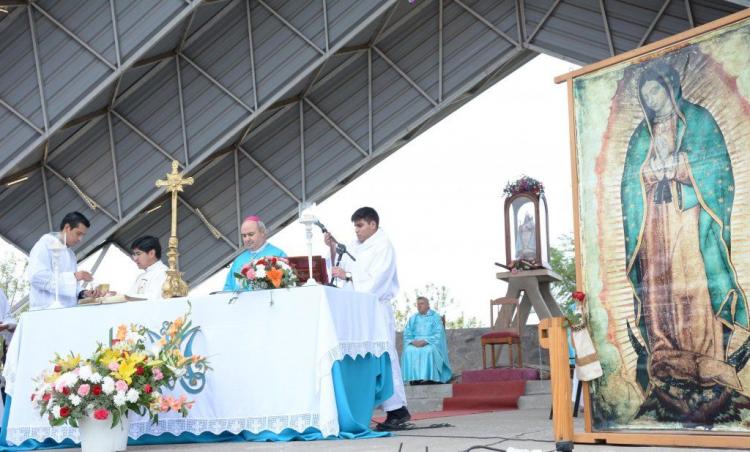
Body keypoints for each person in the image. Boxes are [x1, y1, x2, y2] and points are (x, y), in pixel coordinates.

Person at [621, 62, 749, 421]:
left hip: (688, 217)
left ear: (670, 87)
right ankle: (666, 357)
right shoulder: (640, 136)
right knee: (659, 288)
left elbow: (717, 167)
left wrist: (683, 168)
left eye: (656, 93)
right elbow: (630, 183)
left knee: (692, 284)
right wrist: (647, 174)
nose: (653, 102)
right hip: (654, 223)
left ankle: (705, 357)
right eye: (646, 97)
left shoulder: (699, 121)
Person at [325, 207, 410, 429]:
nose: (357, 230)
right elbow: (339, 269)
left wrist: (350, 276)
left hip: (376, 309)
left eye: (360, 225)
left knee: (385, 357)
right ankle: (368, 408)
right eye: (355, 226)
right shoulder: (354, 246)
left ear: (373, 224)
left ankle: (398, 410)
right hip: (358, 311)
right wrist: (333, 249)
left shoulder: (384, 246)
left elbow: (378, 280)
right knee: (366, 358)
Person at [27, 212, 106, 310]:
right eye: (78, 233)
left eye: (83, 235)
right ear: (67, 228)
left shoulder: (71, 254)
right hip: (46, 310)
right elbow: (36, 276)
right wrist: (75, 276)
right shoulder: (44, 244)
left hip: (67, 310)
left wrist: (83, 293)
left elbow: (72, 286)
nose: (80, 239)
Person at [223, 216, 287, 291]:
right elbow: (228, 288)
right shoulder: (238, 260)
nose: (247, 239)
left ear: (262, 232)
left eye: (251, 234)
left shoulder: (278, 254)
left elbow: (286, 284)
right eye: (244, 235)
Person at [401, 297, 452, 384]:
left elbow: (439, 333)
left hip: (430, 342)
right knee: (409, 350)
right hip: (415, 342)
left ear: (428, 305)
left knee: (429, 350)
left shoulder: (435, 317)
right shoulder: (413, 318)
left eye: (422, 304)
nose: (419, 306)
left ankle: (431, 378)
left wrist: (425, 341)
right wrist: (413, 342)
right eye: (418, 304)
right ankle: (414, 379)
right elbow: (407, 332)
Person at [126, 236, 168, 300]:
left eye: (138, 253)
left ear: (151, 253)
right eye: (134, 254)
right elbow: (128, 297)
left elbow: (153, 300)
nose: (135, 258)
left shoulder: (164, 273)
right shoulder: (141, 276)